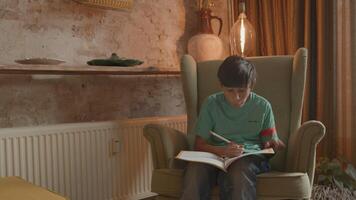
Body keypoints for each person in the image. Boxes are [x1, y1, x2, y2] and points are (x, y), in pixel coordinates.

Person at [180, 55, 285, 200]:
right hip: (215, 157)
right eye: (230, 91)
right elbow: (199, 144)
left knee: (239, 172)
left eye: (242, 91)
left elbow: (269, 144)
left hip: (248, 159)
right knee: (194, 171)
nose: (236, 97)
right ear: (221, 86)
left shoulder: (263, 106)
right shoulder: (211, 104)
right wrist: (222, 150)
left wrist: (273, 144)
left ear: (251, 85)